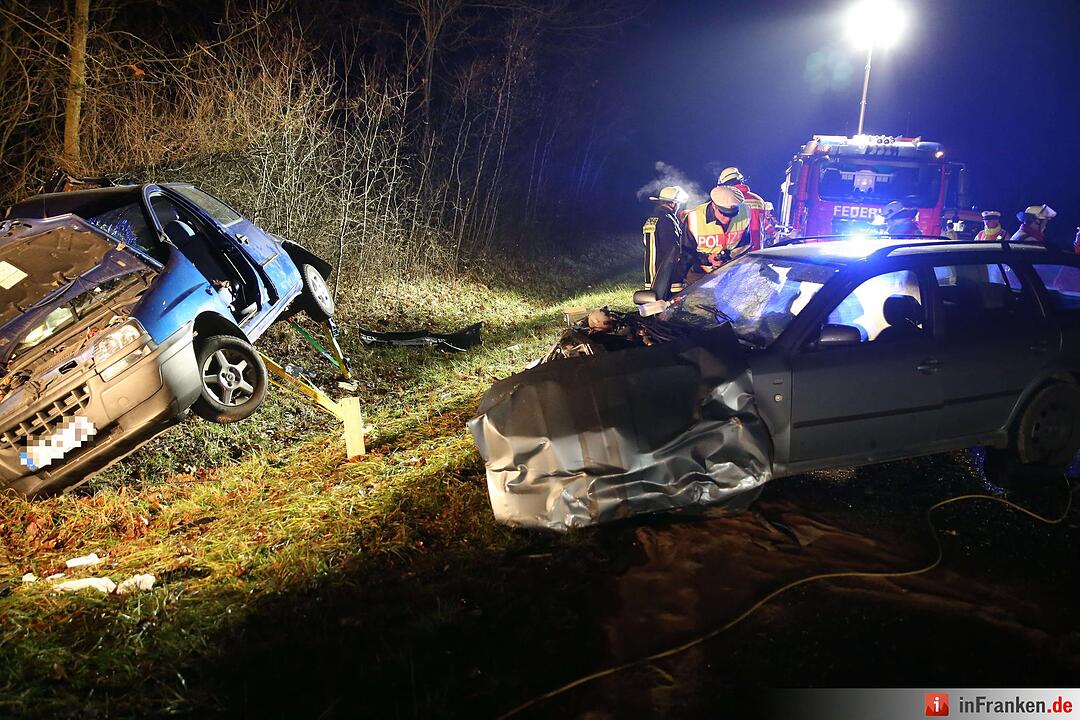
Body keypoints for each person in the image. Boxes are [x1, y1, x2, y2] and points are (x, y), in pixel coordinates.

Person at [682, 185, 751, 286]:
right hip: (699, 275)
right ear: (714, 206)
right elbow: (686, 253)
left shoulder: (744, 212)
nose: (727, 219)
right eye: (723, 213)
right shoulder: (695, 218)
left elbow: (744, 246)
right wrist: (707, 259)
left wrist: (728, 258)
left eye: (732, 215)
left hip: (729, 273)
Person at [642, 186, 688, 300]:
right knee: (669, 305)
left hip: (651, 272)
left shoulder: (652, 219)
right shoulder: (667, 220)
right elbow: (672, 248)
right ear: (673, 204)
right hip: (666, 273)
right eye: (678, 204)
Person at [717, 166, 778, 248]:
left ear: (725, 185)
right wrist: (774, 233)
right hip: (757, 251)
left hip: (736, 253)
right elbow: (764, 224)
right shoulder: (759, 199)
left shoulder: (727, 200)